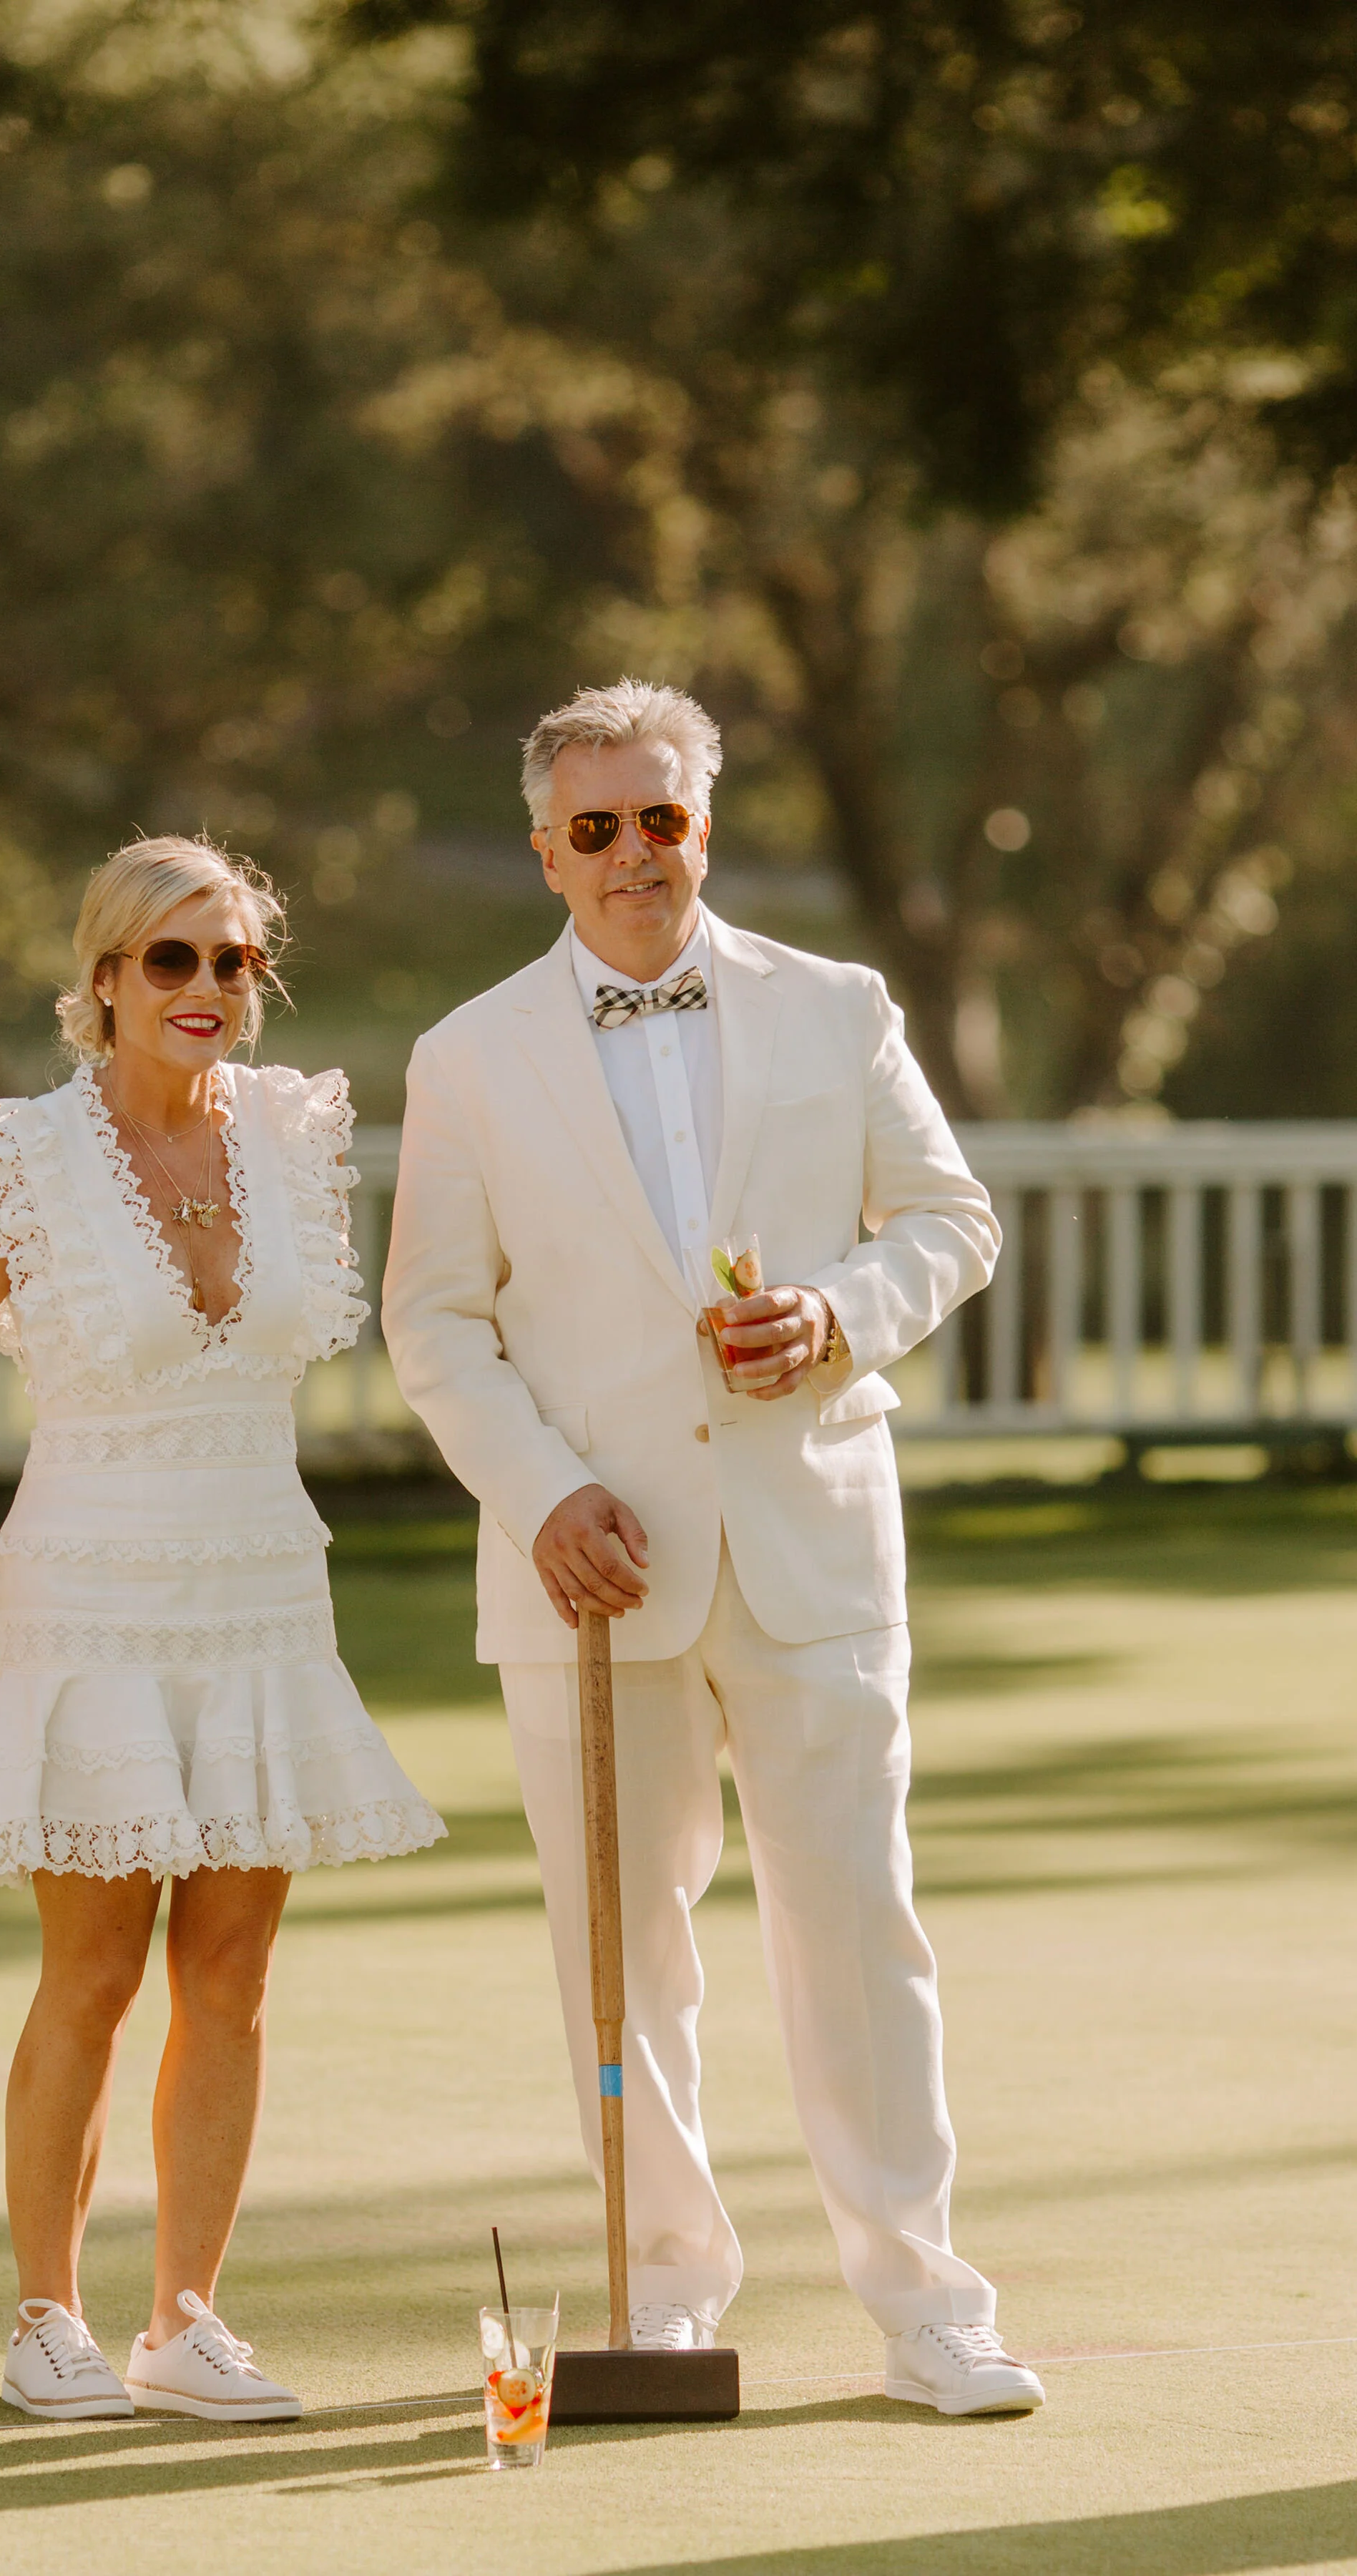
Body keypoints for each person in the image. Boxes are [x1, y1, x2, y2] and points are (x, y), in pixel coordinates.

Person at [382, 679, 1044, 2416]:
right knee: (620, 1955)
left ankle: (927, 2308)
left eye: (658, 818)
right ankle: (664, 2294)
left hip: (813, 1547)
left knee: (859, 1931)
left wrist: (841, 1315)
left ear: (704, 821)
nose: (630, 855)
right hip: (587, 1573)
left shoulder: (838, 1007)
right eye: (593, 828)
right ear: (545, 852)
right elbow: (439, 1328)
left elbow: (954, 1220)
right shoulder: (467, 1055)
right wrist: (540, 1496)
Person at [0, 834, 444, 2425]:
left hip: (263, 1584)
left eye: (231, 961)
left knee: (233, 1975)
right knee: (91, 1973)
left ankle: (187, 2318)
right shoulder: (19, 1160)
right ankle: (46, 2319)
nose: (208, 988)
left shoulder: (299, 1134)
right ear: (103, 979)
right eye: (171, 959)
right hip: (92, 1592)